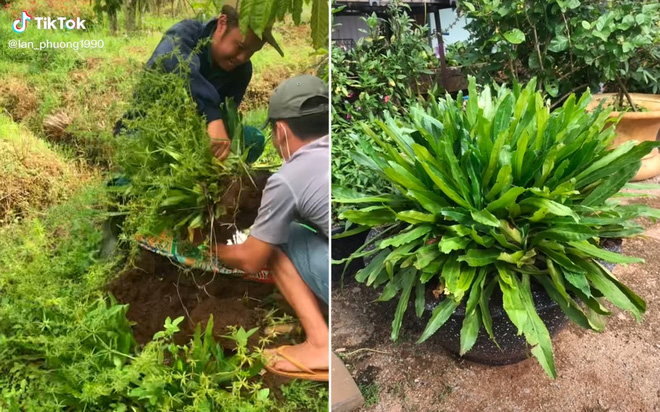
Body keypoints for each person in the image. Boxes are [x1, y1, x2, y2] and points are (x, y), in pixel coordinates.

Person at [213, 74, 330, 381]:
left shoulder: (288, 177)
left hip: (347, 283)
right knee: (299, 228)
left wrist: (212, 249)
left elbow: (252, 259)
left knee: (276, 243)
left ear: (280, 130)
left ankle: (320, 344)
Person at [114, 4, 282, 161]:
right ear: (222, 24)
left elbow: (226, 115)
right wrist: (212, 115)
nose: (242, 58)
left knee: (255, 140)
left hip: (198, 135)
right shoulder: (185, 33)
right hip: (150, 128)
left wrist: (217, 130)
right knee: (140, 159)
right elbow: (176, 65)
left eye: (251, 52)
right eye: (240, 47)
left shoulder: (242, 70)